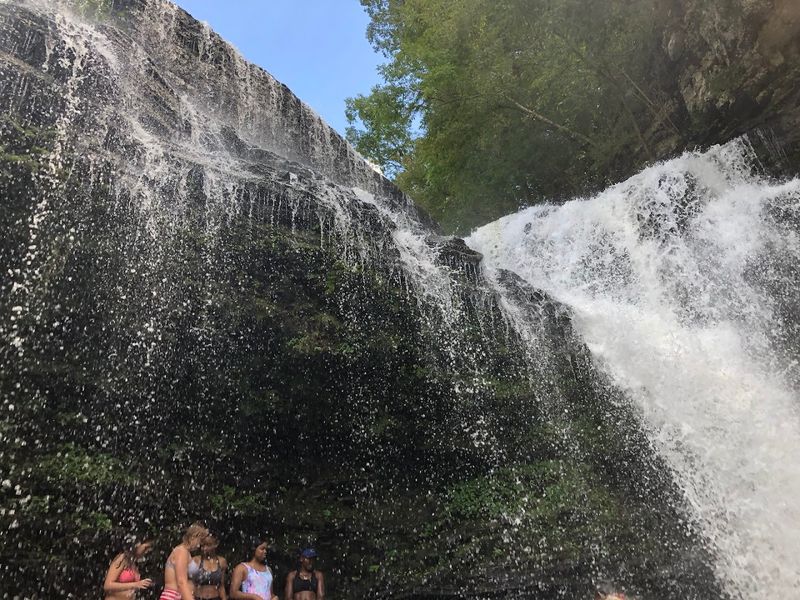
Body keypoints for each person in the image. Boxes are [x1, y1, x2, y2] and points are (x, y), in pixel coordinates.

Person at [160, 522, 209, 600]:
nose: (199, 545)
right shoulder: (181, 552)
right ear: (193, 537)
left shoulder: (185, 552)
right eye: (200, 541)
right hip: (173, 596)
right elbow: (181, 582)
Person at [192, 534, 229, 600]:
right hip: (198, 597)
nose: (205, 548)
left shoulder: (222, 562)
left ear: (215, 545)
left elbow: (221, 585)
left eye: (208, 545)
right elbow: (191, 584)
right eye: (203, 545)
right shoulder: (196, 560)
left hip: (215, 597)